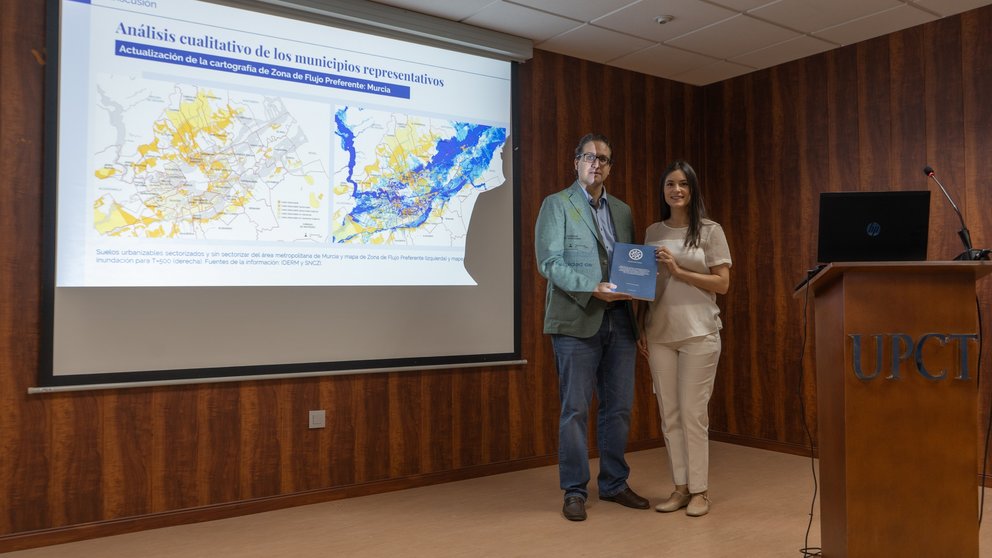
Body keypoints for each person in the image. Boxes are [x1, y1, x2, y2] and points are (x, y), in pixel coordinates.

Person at [535, 132, 650, 522]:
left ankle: (615, 484)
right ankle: (574, 490)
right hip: (575, 319)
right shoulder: (556, 205)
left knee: (618, 409)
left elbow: (630, 262)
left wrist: (636, 289)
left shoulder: (622, 210)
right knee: (575, 410)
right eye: (589, 156)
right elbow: (549, 263)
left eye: (603, 158)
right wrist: (592, 288)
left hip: (620, 320)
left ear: (610, 167)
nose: (596, 163)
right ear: (576, 163)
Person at [638, 160, 731, 518]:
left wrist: (679, 270)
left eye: (683, 184)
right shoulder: (651, 232)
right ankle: (679, 487)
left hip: (699, 333)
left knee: (694, 414)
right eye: (669, 185)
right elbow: (648, 286)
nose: (676, 190)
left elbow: (722, 284)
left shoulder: (709, 230)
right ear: (663, 192)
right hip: (659, 334)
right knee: (670, 415)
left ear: (692, 190)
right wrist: (641, 326)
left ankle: (700, 491)